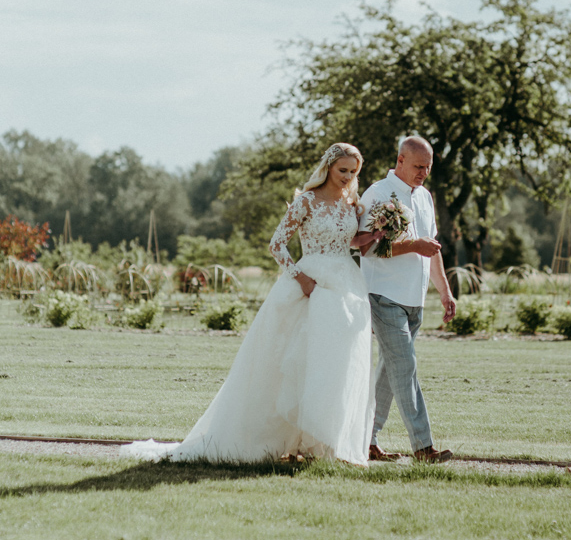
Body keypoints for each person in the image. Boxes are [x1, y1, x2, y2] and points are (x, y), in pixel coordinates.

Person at [121, 143, 380, 466]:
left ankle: (323, 445)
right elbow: (277, 245)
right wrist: (300, 278)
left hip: (346, 287)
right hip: (310, 284)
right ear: (328, 167)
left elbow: (347, 241)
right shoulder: (306, 202)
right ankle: (282, 440)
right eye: (343, 170)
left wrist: (370, 237)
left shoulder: (351, 204)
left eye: (353, 172)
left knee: (335, 363)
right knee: (296, 361)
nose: (348, 177)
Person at [359, 135, 456, 463]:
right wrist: (413, 246)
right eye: (418, 166)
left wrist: (445, 291)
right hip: (383, 296)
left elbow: (433, 250)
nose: (423, 173)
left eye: (428, 168)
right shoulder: (378, 194)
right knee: (405, 368)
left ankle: (366, 440)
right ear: (400, 160)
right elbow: (368, 248)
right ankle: (423, 447)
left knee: (390, 372)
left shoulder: (425, 197)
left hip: (415, 299)